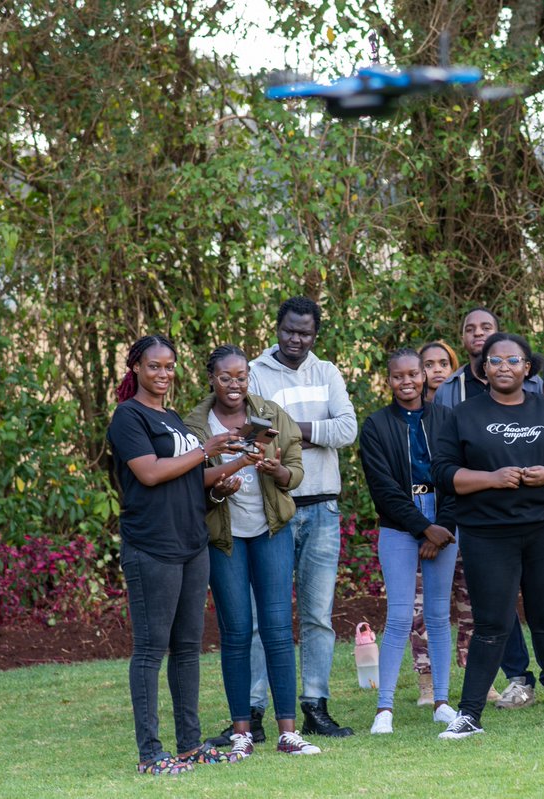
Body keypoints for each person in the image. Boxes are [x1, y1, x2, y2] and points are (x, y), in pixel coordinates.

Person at [432, 332, 544, 739]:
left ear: (528, 368)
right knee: (491, 625)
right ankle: (469, 715)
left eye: (513, 360)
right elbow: (443, 473)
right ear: (483, 369)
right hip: (488, 534)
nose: (503, 367)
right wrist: (490, 479)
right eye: (495, 361)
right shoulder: (463, 414)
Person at [106, 335, 242, 775]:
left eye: (170, 367)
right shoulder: (128, 417)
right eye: (154, 367)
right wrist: (207, 449)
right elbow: (148, 473)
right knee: (150, 650)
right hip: (152, 547)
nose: (163, 374)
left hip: (191, 543)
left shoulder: (174, 419)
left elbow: (190, 478)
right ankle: (150, 754)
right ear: (136, 369)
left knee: (187, 648)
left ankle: (189, 745)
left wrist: (234, 464)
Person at [183, 345, 323, 757]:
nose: (234, 384)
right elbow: (189, 481)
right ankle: (242, 731)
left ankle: (288, 732)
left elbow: (294, 471)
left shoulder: (271, 414)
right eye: (225, 377)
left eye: (241, 376)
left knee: (279, 629)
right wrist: (217, 486)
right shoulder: (195, 424)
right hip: (225, 537)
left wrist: (275, 469)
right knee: (237, 631)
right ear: (211, 378)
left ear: (249, 378)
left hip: (270, 531)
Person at [248, 296, 359, 737]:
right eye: (289, 330)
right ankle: (254, 711)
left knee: (318, 615)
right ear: (276, 327)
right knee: (264, 617)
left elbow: (347, 429)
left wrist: (290, 430)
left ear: (315, 334)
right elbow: (256, 436)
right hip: (273, 508)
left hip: (324, 509)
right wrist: (314, 433)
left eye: (305, 333)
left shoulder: (327, 371)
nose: (296, 339)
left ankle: (315, 705)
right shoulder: (255, 373)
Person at [434, 308, 544, 710]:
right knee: (494, 601)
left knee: (540, 596)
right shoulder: (450, 389)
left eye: (487, 328)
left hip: (536, 513)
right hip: (479, 516)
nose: (478, 334)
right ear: (463, 340)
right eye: (470, 329)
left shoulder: (535, 385)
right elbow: (446, 457)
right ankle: (519, 678)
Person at [361, 349, 460, 734]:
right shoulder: (376, 425)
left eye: (413, 374)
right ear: (388, 381)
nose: (407, 382)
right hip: (399, 523)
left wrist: (443, 526)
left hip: (444, 521)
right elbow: (383, 489)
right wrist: (423, 528)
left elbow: (456, 476)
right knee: (400, 616)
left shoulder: (445, 419)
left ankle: (442, 702)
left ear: (424, 376)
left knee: (437, 616)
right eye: (398, 376)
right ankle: (384, 708)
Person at [406, 340, 463, 706]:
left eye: (444, 363)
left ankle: (477, 675)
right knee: (418, 604)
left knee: (468, 597)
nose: (437, 370)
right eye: (429, 364)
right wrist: (425, 526)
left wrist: (446, 523)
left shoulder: (460, 413)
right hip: (417, 512)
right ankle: (427, 680)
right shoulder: (408, 417)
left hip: (458, 511)